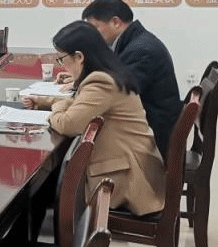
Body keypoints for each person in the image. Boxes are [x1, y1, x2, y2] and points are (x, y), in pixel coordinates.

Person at [23, 21, 165, 215]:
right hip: (133, 164)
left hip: (126, 178)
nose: (61, 65)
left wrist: (55, 107)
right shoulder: (109, 72)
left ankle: (53, 232)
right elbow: (80, 103)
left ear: (79, 57)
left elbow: (68, 124)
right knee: (47, 181)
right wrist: (42, 102)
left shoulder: (101, 81)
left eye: (61, 59)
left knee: (41, 186)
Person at [78, 0, 181, 158]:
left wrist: (81, 83)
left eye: (95, 28)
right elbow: (112, 75)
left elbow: (113, 93)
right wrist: (82, 77)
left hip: (153, 137)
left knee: (78, 142)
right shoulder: (134, 41)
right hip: (151, 124)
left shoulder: (141, 51)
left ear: (116, 22)